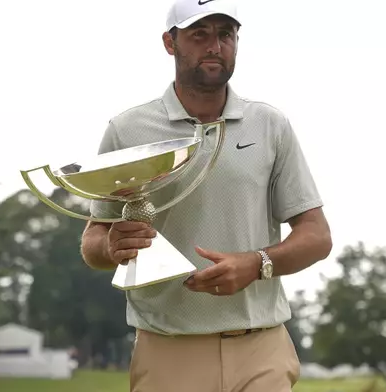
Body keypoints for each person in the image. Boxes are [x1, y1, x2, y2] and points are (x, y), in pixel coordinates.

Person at [80, 0, 332, 391]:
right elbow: (94, 240)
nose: (215, 45)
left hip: (261, 347)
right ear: (170, 42)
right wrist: (111, 246)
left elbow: (317, 236)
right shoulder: (127, 130)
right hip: (168, 351)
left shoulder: (270, 125)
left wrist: (257, 263)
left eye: (225, 34)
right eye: (199, 34)